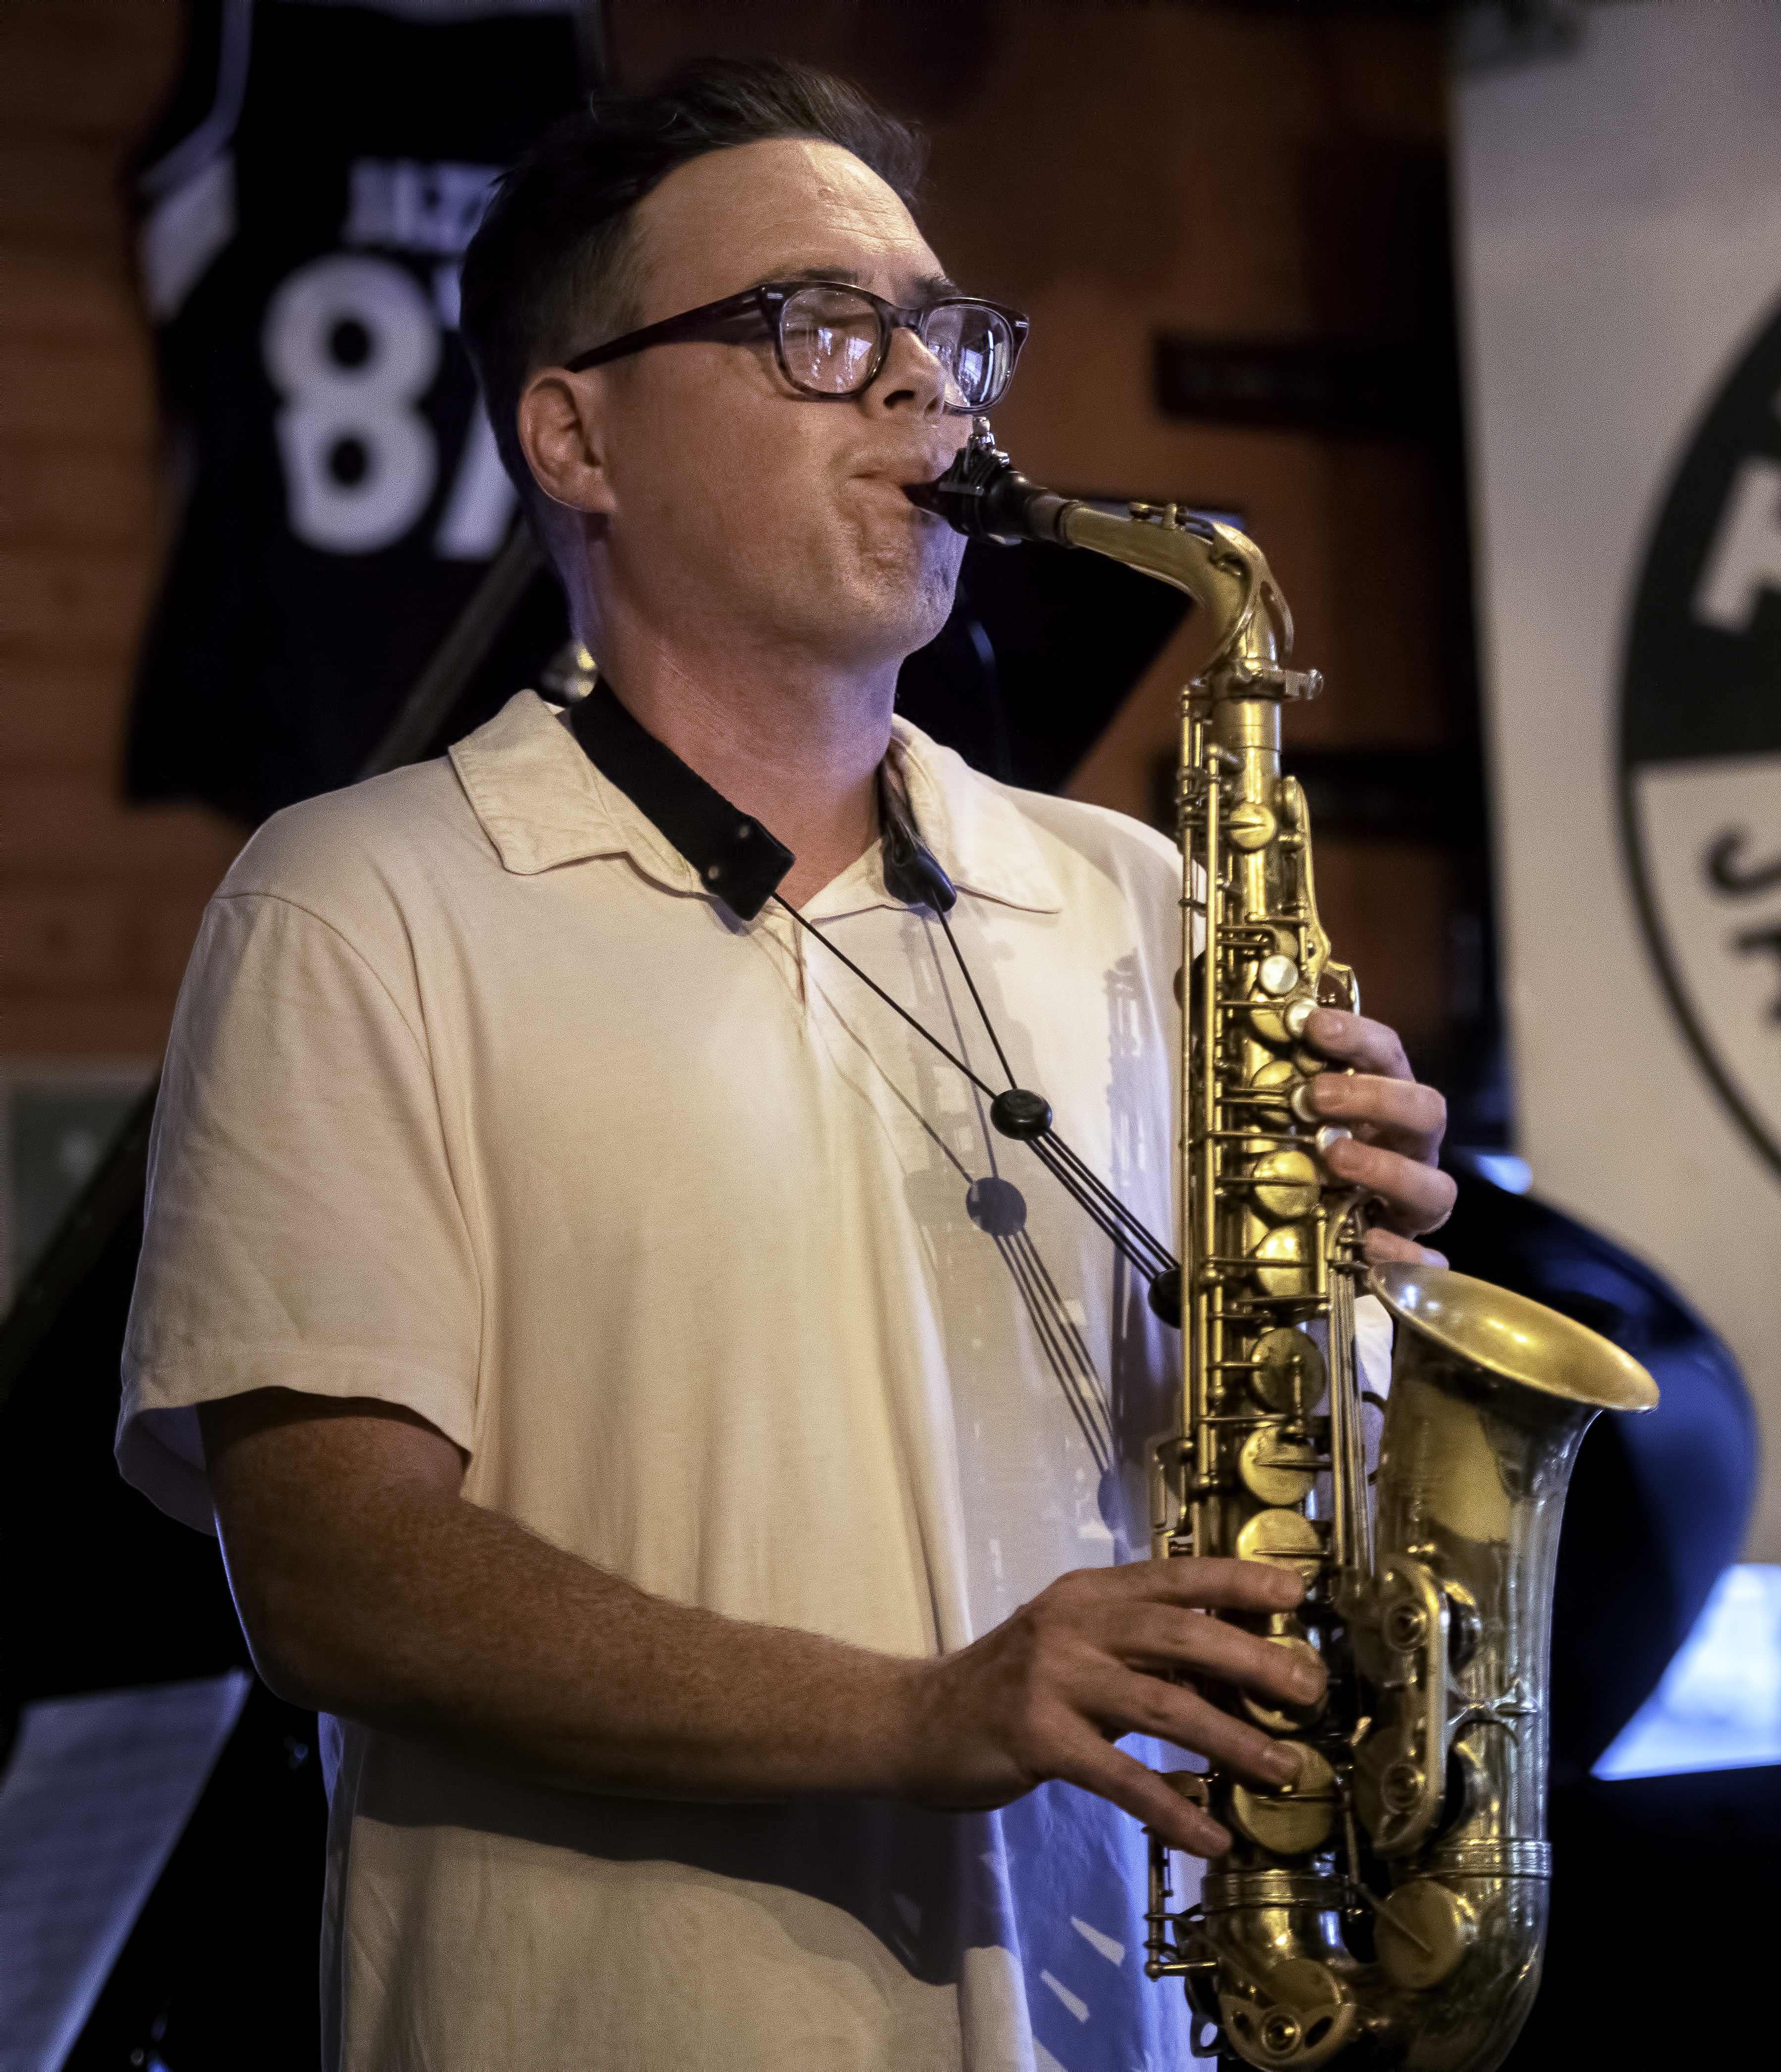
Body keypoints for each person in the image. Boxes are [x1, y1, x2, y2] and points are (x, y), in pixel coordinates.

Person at [115, 56, 1458, 2072]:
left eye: (947, 331)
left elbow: (1256, 1492)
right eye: (822, 329)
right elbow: (334, 1577)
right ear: (575, 432)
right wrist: (918, 1711)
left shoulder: (1135, 897)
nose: (928, 388)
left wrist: (1355, 1309)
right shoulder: (358, 901)